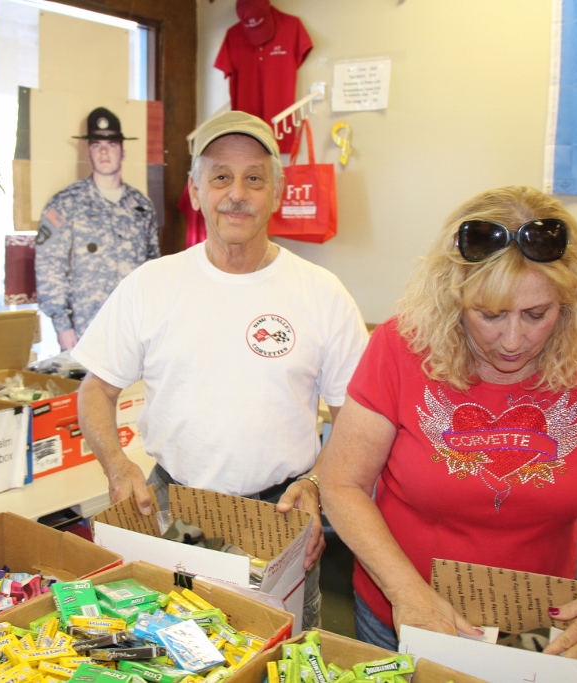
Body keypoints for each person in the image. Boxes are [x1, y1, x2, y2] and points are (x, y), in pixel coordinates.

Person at [320, 186, 577, 663]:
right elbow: (343, 483)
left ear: (568, 302)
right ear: (453, 297)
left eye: (537, 314)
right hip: (403, 612)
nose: (512, 341)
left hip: (537, 625)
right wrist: (406, 591)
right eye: (488, 315)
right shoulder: (402, 345)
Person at [72, 110, 370, 629]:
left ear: (277, 191)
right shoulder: (152, 284)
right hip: (170, 505)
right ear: (195, 190)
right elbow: (95, 390)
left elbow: (355, 420)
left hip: (281, 511)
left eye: (254, 178)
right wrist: (118, 468)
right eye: (221, 177)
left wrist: (320, 482)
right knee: (167, 646)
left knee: (285, 652)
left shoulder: (322, 293)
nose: (237, 193)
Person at [35, 106, 160, 351]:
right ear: (88, 152)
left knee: (135, 390)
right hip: (85, 330)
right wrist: (62, 326)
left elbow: (152, 269)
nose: (104, 151)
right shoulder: (63, 204)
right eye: (96, 145)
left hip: (134, 329)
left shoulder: (142, 207)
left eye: (111, 144)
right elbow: (48, 266)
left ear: (122, 151)